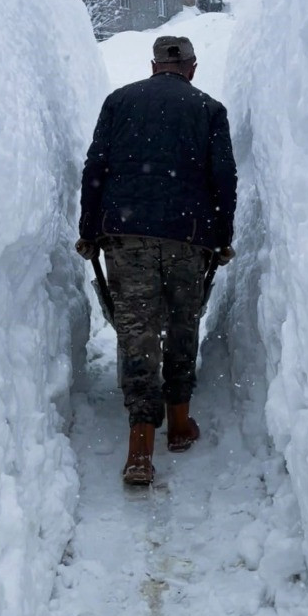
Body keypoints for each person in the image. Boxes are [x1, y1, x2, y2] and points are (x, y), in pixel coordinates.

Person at [75, 36, 237, 486]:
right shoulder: (208, 109)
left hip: (124, 235)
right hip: (188, 236)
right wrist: (222, 236)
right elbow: (224, 176)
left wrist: (90, 229)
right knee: (184, 323)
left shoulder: (119, 102)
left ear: (152, 65)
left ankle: (140, 449)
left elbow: (95, 168)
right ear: (192, 67)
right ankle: (180, 423)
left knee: (137, 333)